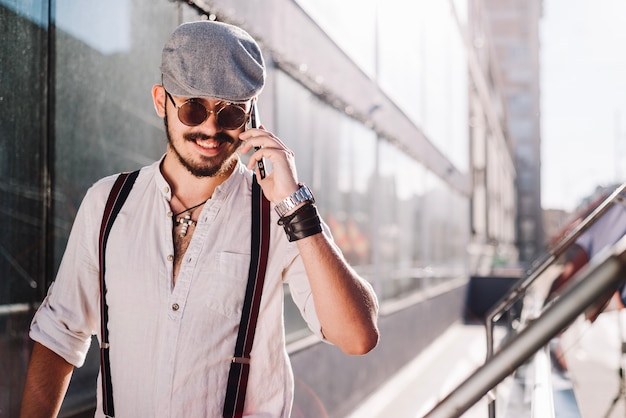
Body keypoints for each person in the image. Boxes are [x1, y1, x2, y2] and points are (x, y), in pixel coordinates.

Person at [20, 21, 379, 418]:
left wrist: (296, 206)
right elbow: (59, 335)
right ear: (162, 101)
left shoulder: (279, 213)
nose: (210, 128)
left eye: (229, 114)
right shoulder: (107, 203)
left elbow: (357, 337)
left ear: (251, 118)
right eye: (193, 108)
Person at [544, 195, 626, 370]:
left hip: (603, 247)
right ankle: (551, 334)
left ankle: (552, 334)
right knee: (569, 284)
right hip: (602, 241)